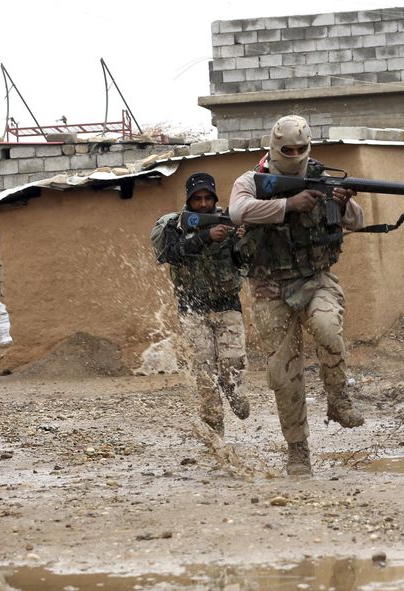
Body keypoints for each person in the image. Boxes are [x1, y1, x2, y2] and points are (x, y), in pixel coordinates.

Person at [228, 115, 365, 476]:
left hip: (315, 278)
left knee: (327, 329)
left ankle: (337, 398)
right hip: (269, 286)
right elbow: (237, 210)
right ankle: (298, 450)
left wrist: (342, 201)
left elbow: (358, 221)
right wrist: (289, 205)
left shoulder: (322, 177)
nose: (294, 154)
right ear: (273, 148)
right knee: (284, 375)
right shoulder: (251, 180)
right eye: (286, 149)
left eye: (300, 149)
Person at [151, 172, 249, 437]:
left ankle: (233, 392)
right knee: (204, 374)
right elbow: (170, 254)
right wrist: (206, 236)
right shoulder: (176, 226)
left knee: (232, 364)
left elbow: (244, 262)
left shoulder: (229, 221)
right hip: (192, 311)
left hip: (227, 306)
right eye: (198, 199)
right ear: (189, 200)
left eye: (208, 198)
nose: (203, 204)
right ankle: (215, 433)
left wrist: (241, 239)